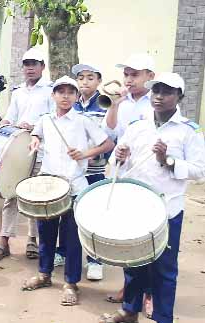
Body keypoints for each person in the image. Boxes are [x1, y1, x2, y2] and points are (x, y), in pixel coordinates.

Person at [99, 73, 205, 323]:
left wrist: (167, 161)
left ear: (179, 96)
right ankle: (129, 310)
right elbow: (116, 164)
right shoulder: (138, 126)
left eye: (166, 92)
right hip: (136, 206)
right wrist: (120, 157)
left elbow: (200, 171)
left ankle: (162, 317)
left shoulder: (188, 131)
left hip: (167, 210)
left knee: (164, 269)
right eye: (156, 91)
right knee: (133, 263)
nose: (159, 97)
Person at [22, 76, 113, 306]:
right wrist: (34, 140)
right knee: (46, 233)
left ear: (75, 96)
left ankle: (71, 283)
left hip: (74, 185)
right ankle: (44, 274)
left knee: (72, 238)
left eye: (70, 92)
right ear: (53, 95)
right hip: (49, 185)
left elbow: (107, 144)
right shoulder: (45, 119)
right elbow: (36, 133)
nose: (65, 96)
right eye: (60, 92)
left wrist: (85, 154)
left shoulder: (82, 121)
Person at [0, 48, 53, 262]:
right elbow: (9, 118)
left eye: (34, 63)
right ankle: (4, 241)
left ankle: (32, 240)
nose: (30, 68)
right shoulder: (17, 92)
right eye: (27, 64)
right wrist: (4, 125)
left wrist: (34, 127)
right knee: (10, 195)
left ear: (43, 66)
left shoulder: (51, 91)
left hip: (40, 152)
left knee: (34, 197)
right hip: (16, 153)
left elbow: (53, 122)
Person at [102, 54, 156, 310]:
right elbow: (110, 131)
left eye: (135, 74)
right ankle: (130, 289)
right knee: (128, 237)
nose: (129, 79)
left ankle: (150, 293)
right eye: (127, 74)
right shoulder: (122, 102)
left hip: (150, 178)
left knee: (151, 237)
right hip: (123, 173)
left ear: (150, 76)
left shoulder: (156, 103)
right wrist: (114, 103)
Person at [53, 63, 108, 280]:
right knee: (66, 214)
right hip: (70, 171)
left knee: (92, 216)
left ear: (99, 81)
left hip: (94, 170)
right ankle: (63, 251)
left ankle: (95, 260)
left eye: (90, 77)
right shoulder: (71, 106)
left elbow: (110, 138)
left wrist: (90, 153)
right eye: (81, 78)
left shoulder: (106, 105)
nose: (85, 82)